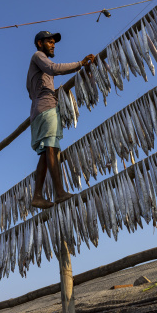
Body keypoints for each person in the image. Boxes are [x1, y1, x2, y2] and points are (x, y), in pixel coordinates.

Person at [27, 30, 95, 209]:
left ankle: (37, 196)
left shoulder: (35, 67)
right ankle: (59, 192)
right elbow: (53, 68)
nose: (53, 45)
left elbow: (30, 90)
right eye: (49, 42)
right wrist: (80, 64)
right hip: (47, 109)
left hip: (37, 112)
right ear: (40, 44)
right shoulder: (38, 56)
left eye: (53, 42)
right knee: (52, 148)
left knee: (44, 153)